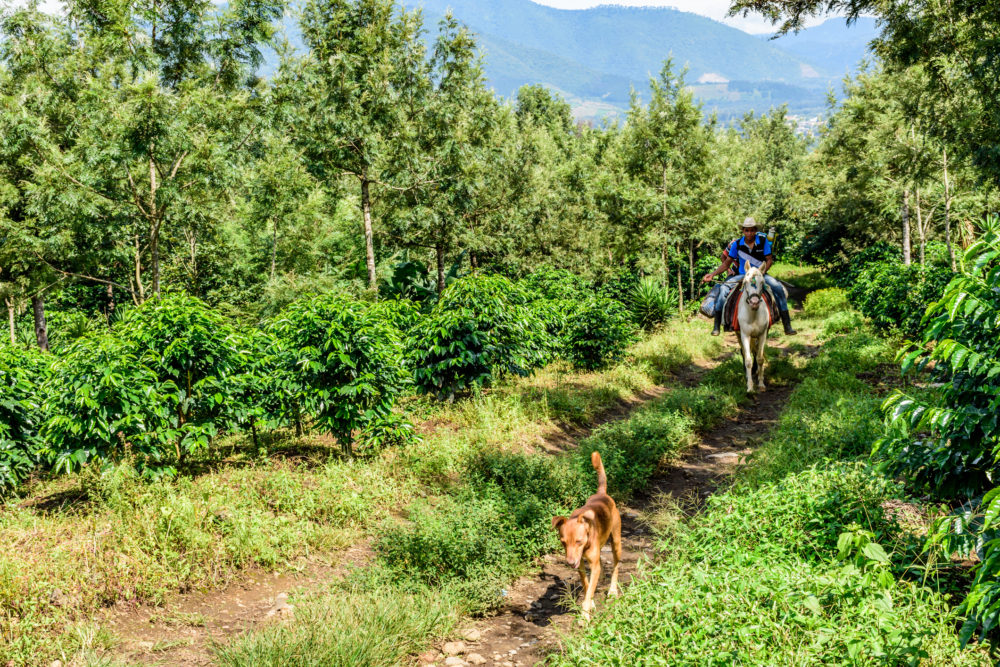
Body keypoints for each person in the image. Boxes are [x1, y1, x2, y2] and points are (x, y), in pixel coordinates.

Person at [701, 217, 796, 336]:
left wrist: (762, 273)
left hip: (760, 275)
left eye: (752, 230)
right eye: (747, 230)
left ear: (755, 230)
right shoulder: (737, 244)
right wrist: (712, 274)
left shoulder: (763, 242)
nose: (749, 233)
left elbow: (769, 260)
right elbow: (726, 263)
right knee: (723, 289)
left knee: (777, 288)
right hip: (742, 275)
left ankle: (787, 325)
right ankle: (717, 325)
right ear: (743, 231)